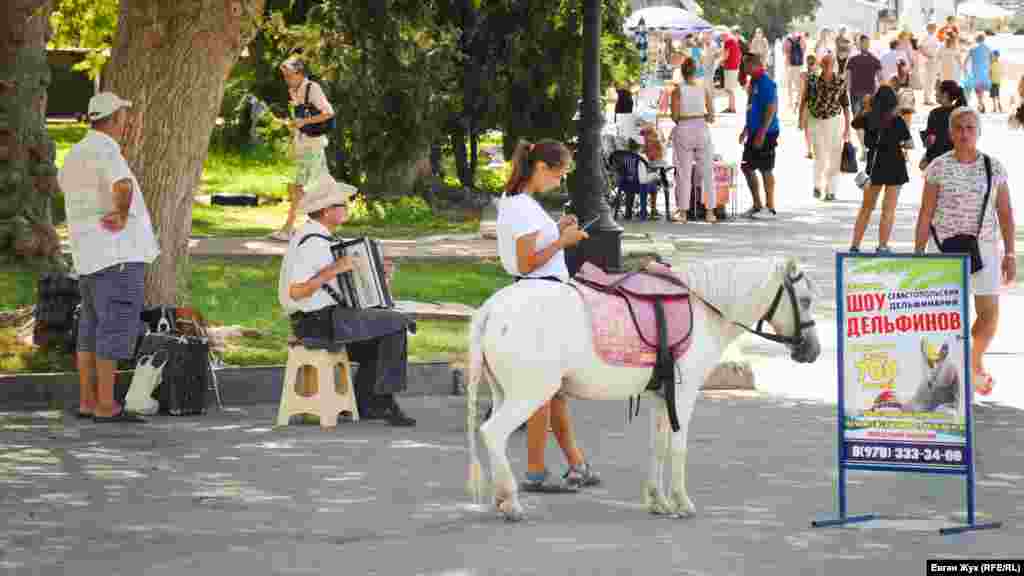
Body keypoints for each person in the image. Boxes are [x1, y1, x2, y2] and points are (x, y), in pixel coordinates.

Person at [496, 139, 601, 492]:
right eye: (559, 174)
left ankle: (576, 463)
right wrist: (562, 241)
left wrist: (557, 228)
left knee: (553, 390)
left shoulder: (521, 204)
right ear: (541, 168)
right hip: (540, 296)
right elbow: (527, 262)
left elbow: (531, 249)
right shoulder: (522, 206)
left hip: (542, 293)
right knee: (544, 389)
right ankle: (536, 471)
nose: (560, 181)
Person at [280, 174, 417, 426]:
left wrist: (379, 274)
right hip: (315, 322)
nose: (347, 208)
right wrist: (333, 270)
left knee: (385, 332)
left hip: (327, 318)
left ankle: (371, 403)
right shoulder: (311, 243)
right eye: (342, 204)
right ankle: (381, 403)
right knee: (396, 324)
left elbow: (344, 288)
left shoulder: (321, 238)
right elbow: (296, 292)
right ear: (326, 211)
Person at [59, 92, 160, 422]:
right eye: (124, 116)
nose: (127, 121)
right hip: (117, 255)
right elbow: (123, 185)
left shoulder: (75, 153)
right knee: (114, 327)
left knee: (90, 329)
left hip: (87, 256)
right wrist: (119, 211)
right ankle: (106, 405)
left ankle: (88, 401)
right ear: (116, 118)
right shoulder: (106, 149)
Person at [914, 107, 1016, 396]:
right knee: (942, 316)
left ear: (979, 132)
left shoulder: (993, 167)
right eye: (958, 128)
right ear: (950, 133)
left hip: (983, 249)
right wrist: (918, 255)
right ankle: (948, 373)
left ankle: (973, 361)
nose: (964, 133)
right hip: (943, 249)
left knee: (989, 315)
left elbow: (1006, 213)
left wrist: (1010, 254)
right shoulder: (938, 167)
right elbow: (925, 214)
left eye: (970, 128)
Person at [270, 58, 336, 242]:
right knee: (315, 187)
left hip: (313, 145)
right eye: (284, 76)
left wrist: (304, 122)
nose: (286, 79)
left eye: (289, 75)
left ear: (300, 73)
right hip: (304, 144)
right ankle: (304, 228)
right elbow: (303, 119)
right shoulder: (294, 90)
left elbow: (328, 113)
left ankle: (291, 228)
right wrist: (294, 126)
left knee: (304, 188)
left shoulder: (312, 88)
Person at [849, 86, 912, 253]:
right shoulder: (898, 121)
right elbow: (909, 143)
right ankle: (882, 245)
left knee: (866, 208)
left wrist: (865, 107)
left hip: (875, 167)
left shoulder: (869, 118)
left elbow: (854, 123)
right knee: (888, 209)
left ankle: (855, 245)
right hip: (895, 166)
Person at [671, 57, 716, 223]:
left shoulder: (677, 90)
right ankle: (710, 212)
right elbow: (711, 117)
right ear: (695, 71)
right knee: (707, 172)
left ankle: (683, 212)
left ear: (681, 72)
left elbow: (675, 116)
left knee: (684, 173)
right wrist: (701, 115)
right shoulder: (703, 89)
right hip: (701, 128)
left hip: (684, 129)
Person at [801, 53, 850, 202]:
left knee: (835, 156)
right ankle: (817, 185)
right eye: (825, 63)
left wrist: (848, 128)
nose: (828, 66)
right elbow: (805, 99)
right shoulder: (812, 80)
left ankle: (831, 190)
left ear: (834, 65)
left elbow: (846, 105)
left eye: (830, 63)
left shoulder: (840, 82)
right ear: (821, 65)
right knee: (820, 155)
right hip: (816, 120)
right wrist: (800, 119)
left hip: (834, 121)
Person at [739, 52, 780, 219]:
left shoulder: (765, 82)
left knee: (766, 168)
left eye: (746, 65)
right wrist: (746, 129)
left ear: (754, 64)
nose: (744, 68)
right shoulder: (753, 81)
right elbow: (752, 107)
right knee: (747, 166)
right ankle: (757, 204)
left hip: (767, 132)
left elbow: (771, 109)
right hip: (754, 131)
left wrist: (762, 132)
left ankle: (770, 207)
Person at [846, 35, 883, 160]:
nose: (866, 45)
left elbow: (847, 79)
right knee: (867, 123)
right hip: (868, 96)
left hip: (857, 94)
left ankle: (864, 148)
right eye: (866, 43)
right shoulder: (874, 60)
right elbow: (881, 79)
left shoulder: (852, 60)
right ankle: (866, 148)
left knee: (859, 123)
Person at [920, 81, 967, 171]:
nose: (935, 94)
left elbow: (930, 142)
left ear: (945, 94)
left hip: (938, 160)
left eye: (937, 91)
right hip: (958, 159)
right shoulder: (962, 112)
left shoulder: (935, 113)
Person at [799, 53, 819, 160]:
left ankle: (810, 150)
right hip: (813, 104)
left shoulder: (805, 76)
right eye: (810, 63)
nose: (810, 65)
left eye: (811, 63)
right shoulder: (817, 76)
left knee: (810, 128)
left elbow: (802, 92)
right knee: (810, 128)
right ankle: (810, 150)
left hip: (810, 104)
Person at [965, 34, 992, 113]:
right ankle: (980, 103)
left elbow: (965, 61)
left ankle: (980, 103)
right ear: (984, 39)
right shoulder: (988, 48)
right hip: (984, 71)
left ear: (976, 39)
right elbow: (991, 60)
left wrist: (965, 71)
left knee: (977, 88)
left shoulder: (972, 49)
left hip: (975, 71)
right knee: (981, 89)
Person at [784, 32, 807, 115]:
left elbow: (785, 53)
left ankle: (790, 102)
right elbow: (804, 51)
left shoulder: (787, 40)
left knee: (789, 85)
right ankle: (797, 102)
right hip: (799, 66)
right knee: (798, 86)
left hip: (790, 66)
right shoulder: (801, 40)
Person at [720, 31, 743, 113]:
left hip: (730, 67)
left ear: (724, 36)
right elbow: (739, 54)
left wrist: (720, 61)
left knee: (729, 89)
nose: (721, 39)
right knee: (730, 88)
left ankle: (732, 108)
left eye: (721, 37)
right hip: (734, 67)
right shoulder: (734, 41)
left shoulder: (728, 42)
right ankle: (730, 107)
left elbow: (726, 55)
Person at [921, 22, 941, 106]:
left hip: (934, 60)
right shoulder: (927, 36)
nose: (935, 29)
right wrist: (928, 55)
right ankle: (927, 98)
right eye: (933, 28)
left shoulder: (933, 36)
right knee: (930, 79)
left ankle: (928, 98)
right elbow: (921, 47)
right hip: (931, 60)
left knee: (931, 79)